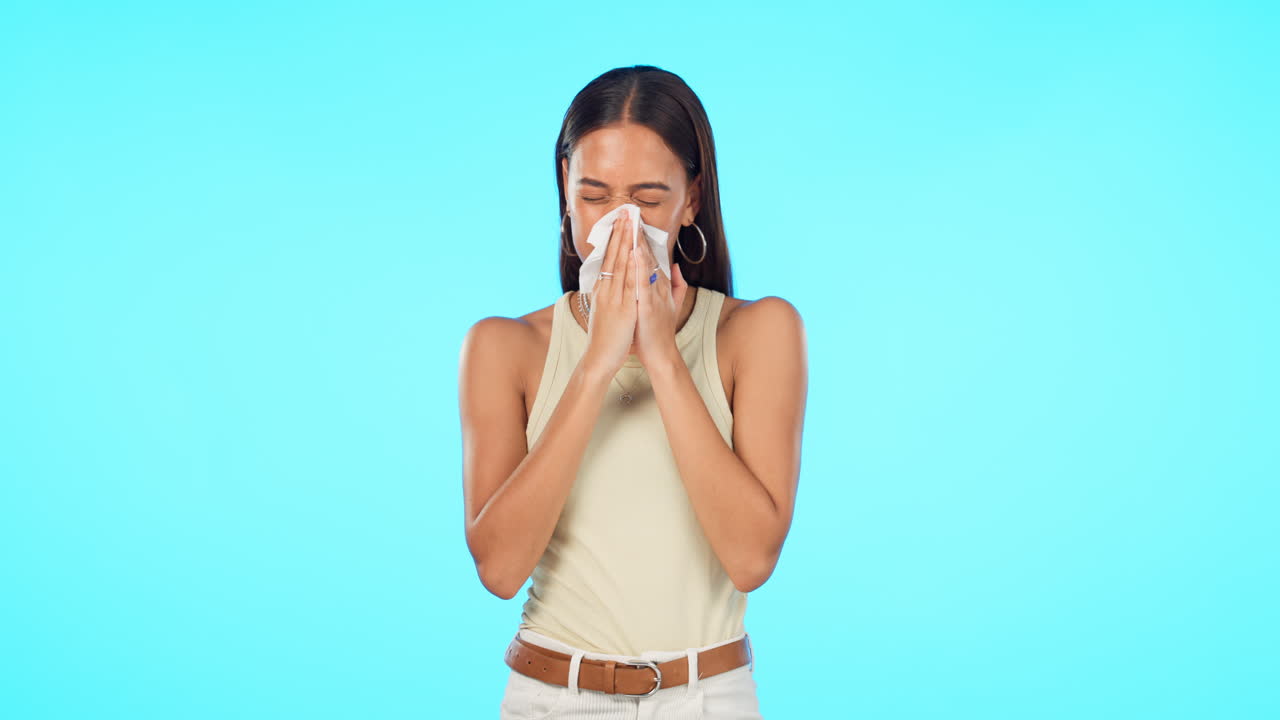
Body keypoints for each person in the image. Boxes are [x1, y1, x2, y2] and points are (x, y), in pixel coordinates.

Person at [458, 64, 808, 719]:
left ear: (691, 200)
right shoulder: (504, 347)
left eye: (647, 200)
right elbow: (499, 569)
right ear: (566, 187)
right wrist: (596, 363)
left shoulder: (758, 333)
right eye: (595, 196)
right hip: (549, 699)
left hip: (708, 699)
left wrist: (664, 358)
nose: (620, 225)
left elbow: (751, 558)